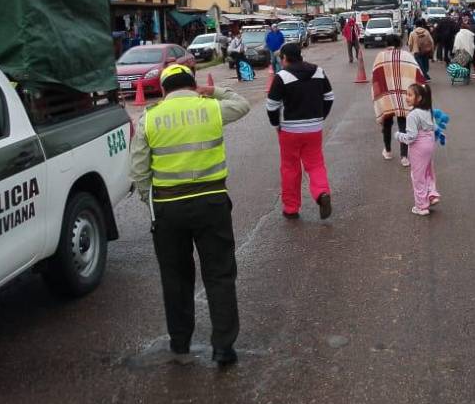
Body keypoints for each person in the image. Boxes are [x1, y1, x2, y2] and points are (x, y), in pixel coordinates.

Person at [129, 64, 252, 366]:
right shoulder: (210, 109)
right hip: (212, 203)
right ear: (193, 85)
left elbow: (139, 170)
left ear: (164, 89)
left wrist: (152, 205)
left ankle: (180, 342)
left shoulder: (151, 118)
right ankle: (223, 347)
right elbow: (242, 104)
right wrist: (214, 91)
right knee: (220, 274)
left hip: (169, 210)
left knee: (175, 277)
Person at [266, 43, 334, 220]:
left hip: (290, 130)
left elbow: (271, 106)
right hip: (314, 128)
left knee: (290, 168)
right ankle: (322, 193)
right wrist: (321, 116)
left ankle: (291, 208)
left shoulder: (282, 76)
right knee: (316, 164)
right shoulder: (318, 71)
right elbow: (329, 97)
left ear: (285, 58)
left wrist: (276, 124)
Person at [372, 34, 427, 167]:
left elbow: (376, 78)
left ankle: (388, 151)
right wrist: (421, 90)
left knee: (387, 124)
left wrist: (380, 94)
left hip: (387, 96)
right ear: (399, 43)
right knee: (403, 125)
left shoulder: (380, 56)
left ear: (387, 43)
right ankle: (404, 157)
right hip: (404, 96)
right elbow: (418, 73)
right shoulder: (407, 56)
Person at [394, 83, 441, 216]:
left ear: (419, 98)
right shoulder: (428, 110)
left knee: (418, 176)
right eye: (406, 94)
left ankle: (421, 206)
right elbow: (435, 127)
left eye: (410, 95)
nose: (407, 97)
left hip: (418, 148)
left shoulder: (412, 115)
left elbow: (411, 137)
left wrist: (398, 135)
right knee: (428, 171)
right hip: (430, 144)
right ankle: (431, 195)